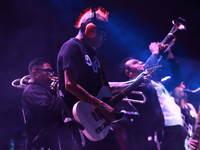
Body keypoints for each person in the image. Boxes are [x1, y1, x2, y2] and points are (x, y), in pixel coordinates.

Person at [57, 7, 124, 150]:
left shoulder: (93, 52)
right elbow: (70, 85)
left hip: (98, 120)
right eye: (103, 33)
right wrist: (101, 105)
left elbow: (103, 88)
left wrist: (133, 83)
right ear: (90, 30)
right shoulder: (71, 47)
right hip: (82, 121)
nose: (104, 38)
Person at [120, 42, 186, 150]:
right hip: (164, 130)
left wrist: (169, 56)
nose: (141, 62)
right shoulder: (132, 87)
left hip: (178, 127)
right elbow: (146, 73)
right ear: (129, 73)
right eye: (135, 63)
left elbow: (178, 77)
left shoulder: (158, 85)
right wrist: (155, 52)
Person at [21, 57, 75, 150]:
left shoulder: (43, 90)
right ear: (35, 73)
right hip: (43, 145)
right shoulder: (32, 91)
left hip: (53, 143)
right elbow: (53, 109)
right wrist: (67, 91)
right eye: (48, 71)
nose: (51, 75)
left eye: (52, 72)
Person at [171, 82, 197, 150]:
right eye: (179, 84)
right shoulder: (170, 109)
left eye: (183, 84)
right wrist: (185, 142)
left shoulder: (190, 106)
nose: (183, 86)